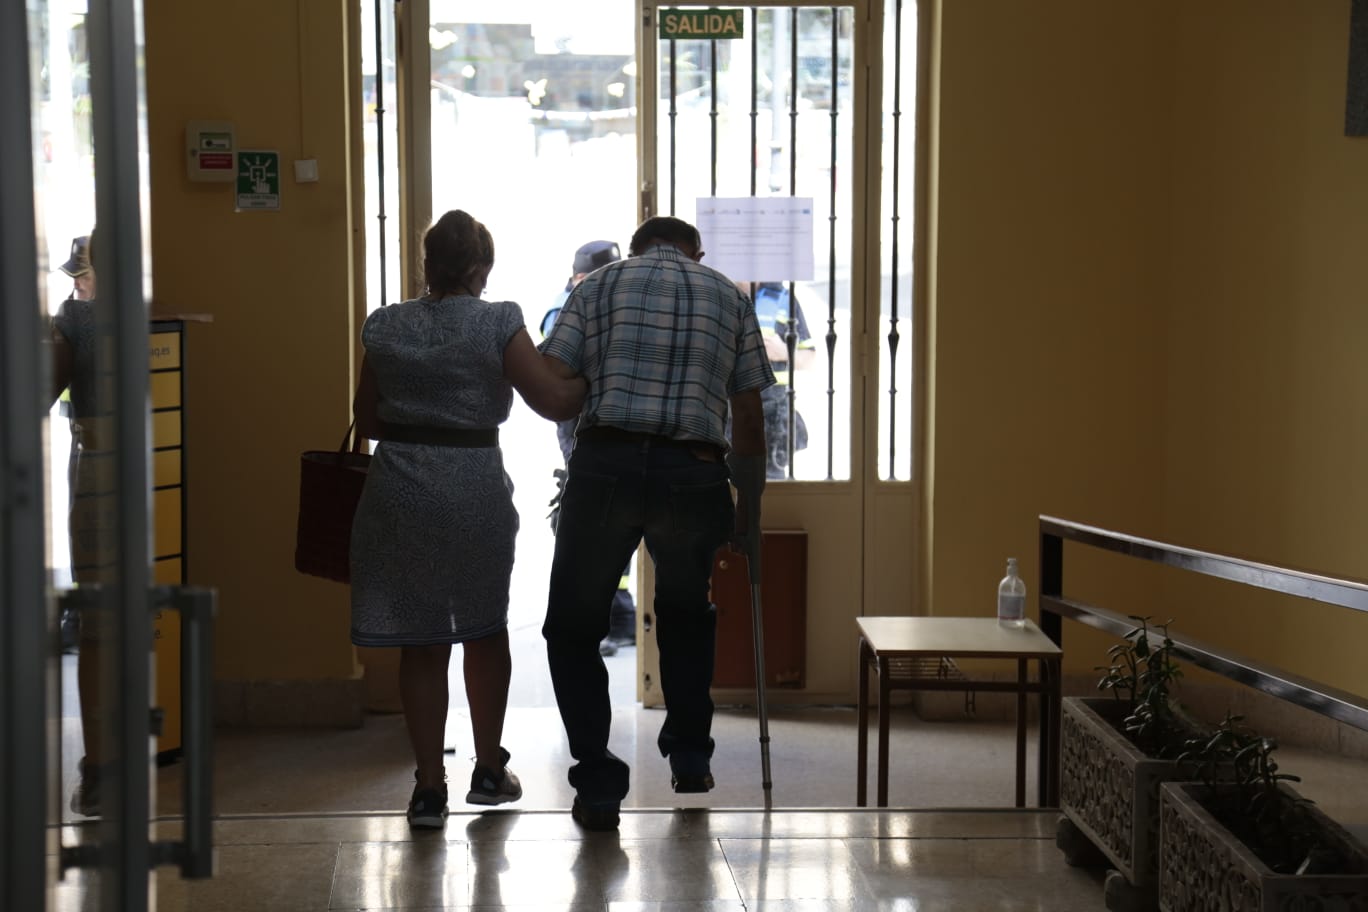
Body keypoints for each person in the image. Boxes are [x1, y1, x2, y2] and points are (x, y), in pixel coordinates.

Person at [349, 209, 587, 828]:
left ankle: (429, 788)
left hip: (397, 489)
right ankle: (488, 770)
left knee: (422, 642)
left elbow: (368, 418)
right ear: (480, 268)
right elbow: (552, 399)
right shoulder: (498, 321)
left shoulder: (385, 324)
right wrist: (605, 375)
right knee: (482, 629)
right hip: (471, 488)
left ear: (428, 264)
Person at [539, 215, 773, 831]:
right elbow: (748, 416)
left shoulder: (595, 287)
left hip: (606, 464)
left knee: (572, 625)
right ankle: (691, 754)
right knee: (685, 613)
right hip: (693, 472)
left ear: (636, 248)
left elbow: (557, 380)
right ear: (696, 252)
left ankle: (597, 782)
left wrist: (602, 382)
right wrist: (749, 511)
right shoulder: (727, 294)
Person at [542, 239, 638, 658]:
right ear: (579, 278)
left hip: (617, 429)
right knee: (596, 524)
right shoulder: (561, 313)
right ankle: (610, 618)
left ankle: (621, 616)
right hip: (582, 432)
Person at [48, 228, 110, 817]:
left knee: (97, 626)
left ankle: (100, 769)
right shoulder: (158, 318)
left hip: (98, 477)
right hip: (160, 470)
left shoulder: (75, 323)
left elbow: (37, 391)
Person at [745, 281, 816, 479]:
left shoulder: (785, 300)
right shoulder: (719, 294)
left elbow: (810, 358)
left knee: (771, 489)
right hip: (725, 409)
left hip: (771, 416)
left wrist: (784, 352)